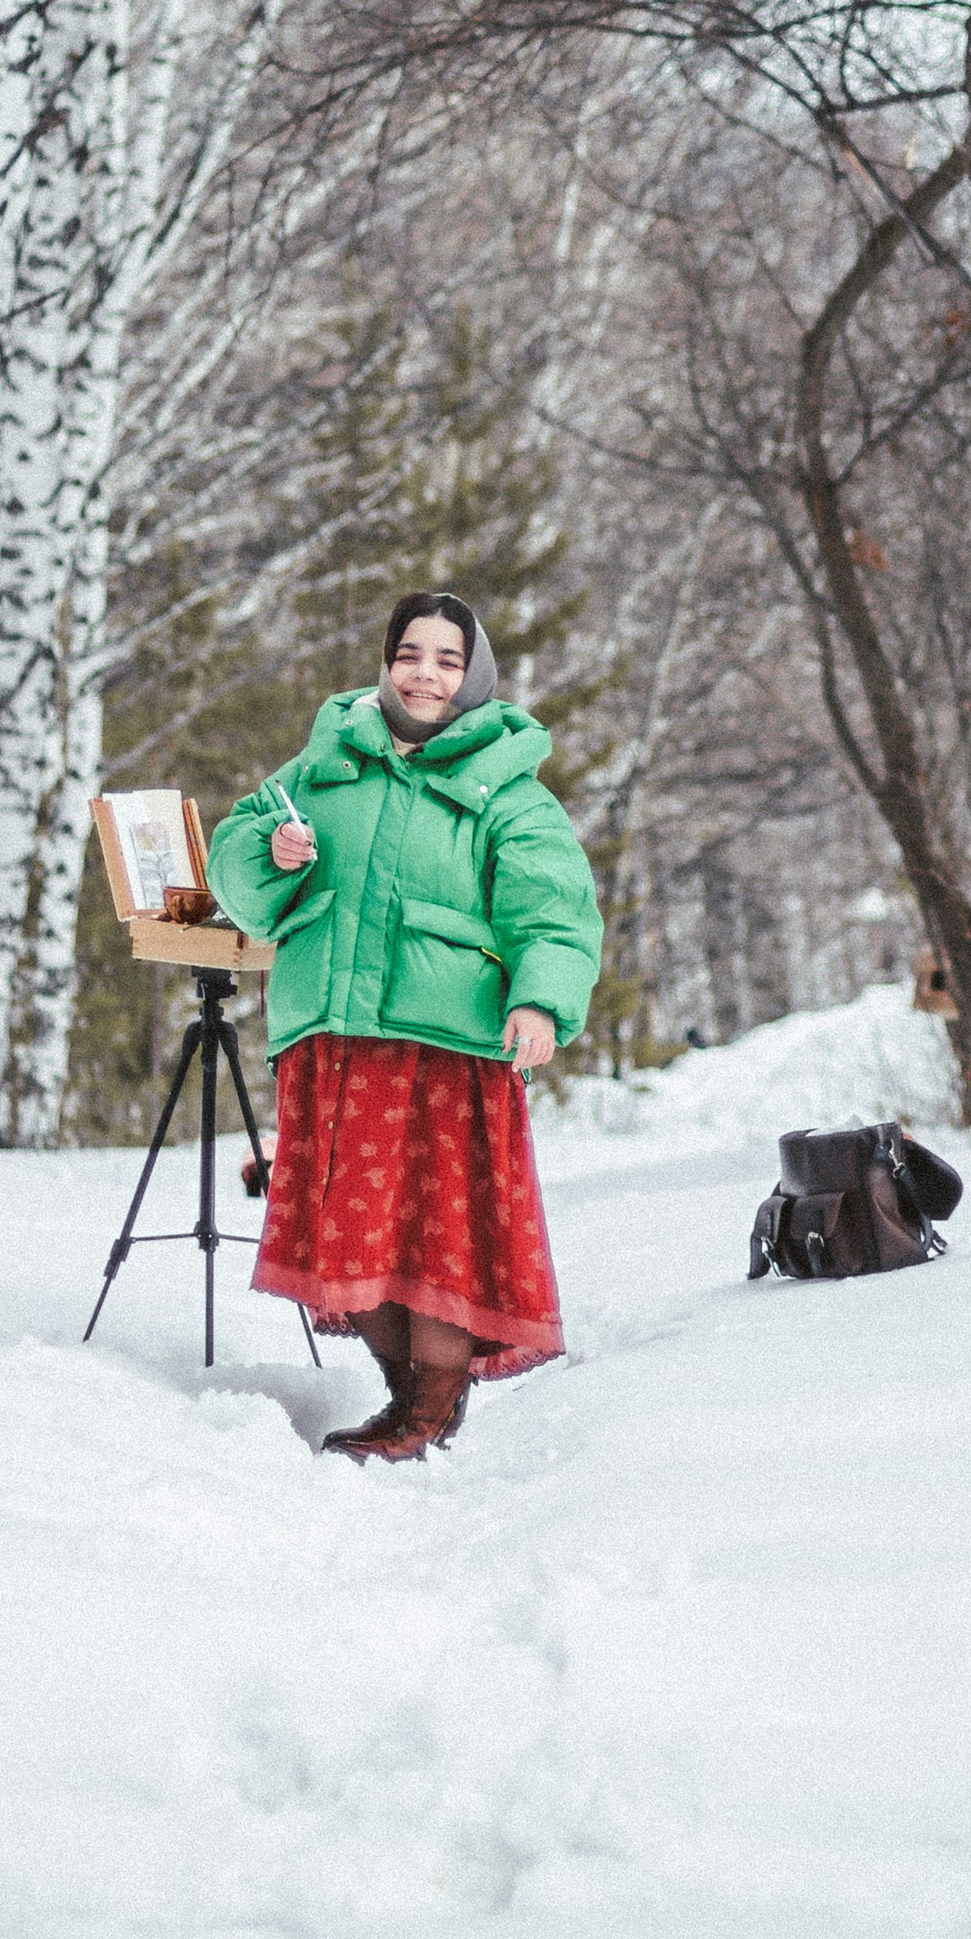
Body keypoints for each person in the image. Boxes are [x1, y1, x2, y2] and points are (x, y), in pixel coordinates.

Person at [206, 590, 602, 1461]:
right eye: (410, 654)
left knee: (438, 1235)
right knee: (352, 1228)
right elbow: (235, 855)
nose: (425, 673)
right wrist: (269, 858)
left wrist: (539, 998)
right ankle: (406, 1402)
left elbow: (555, 912)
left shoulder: (505, 783)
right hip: (335, 1036)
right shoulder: (325, 763)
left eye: (447, 660)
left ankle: (428, 1409)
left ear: (474, 676)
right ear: (386, 663)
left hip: (447, 1046)